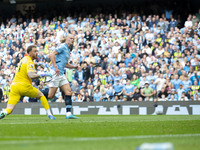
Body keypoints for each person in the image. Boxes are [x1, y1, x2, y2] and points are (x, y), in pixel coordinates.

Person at [0, 45, 55, 120]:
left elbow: (30, 64)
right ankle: (49, 114)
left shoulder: (24, 59)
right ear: (29, 53)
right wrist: (45, 74)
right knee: (41, 95)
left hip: (14, 86)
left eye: (37, 51)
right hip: (24, 86)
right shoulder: (29, 61)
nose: (37, 53)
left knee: (9, 109)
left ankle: (4, 112)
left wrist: (39, 64)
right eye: (35, 51)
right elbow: (31, 75)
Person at [48, 34, 79, 119]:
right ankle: (37, 93)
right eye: (71, 38)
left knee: (68, 92)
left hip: (61, 74)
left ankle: (68, 114)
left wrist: (74, 67)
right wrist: (55, 67)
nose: (72, 40)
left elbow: (65, 64)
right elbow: (52, 55)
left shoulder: (68, 50)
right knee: (50, 96)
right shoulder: (62, 46)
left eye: (73, 38)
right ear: (66, 39)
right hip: (55, 72)